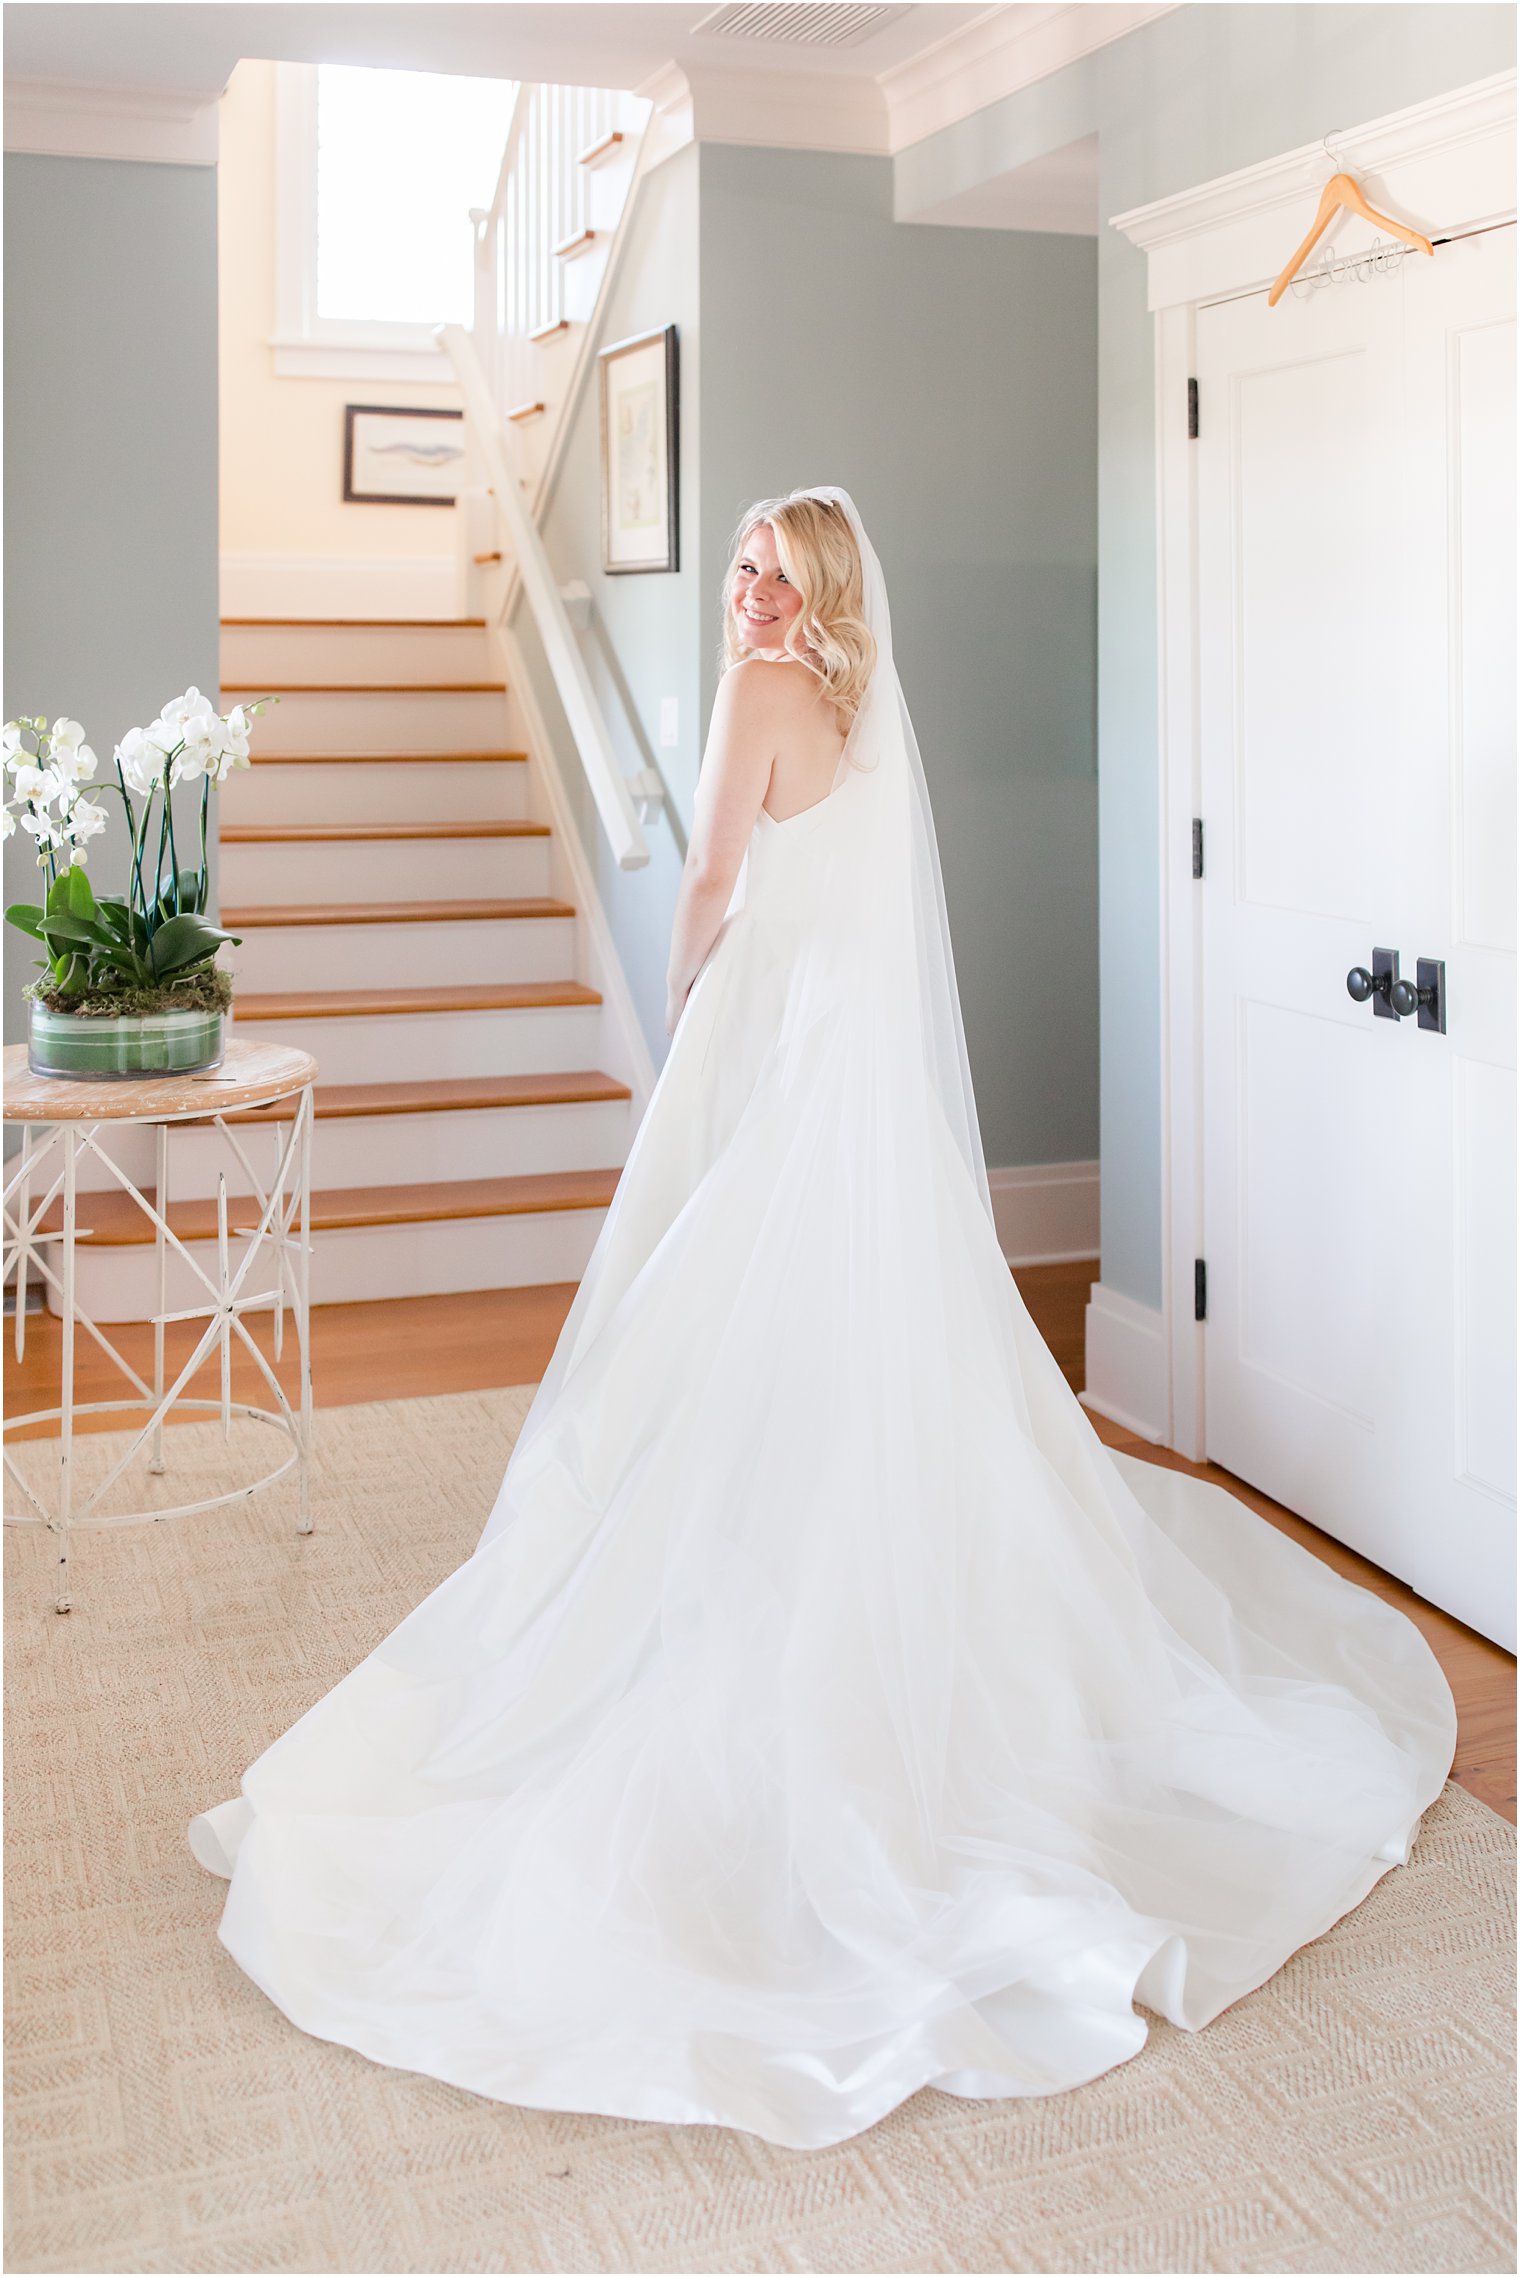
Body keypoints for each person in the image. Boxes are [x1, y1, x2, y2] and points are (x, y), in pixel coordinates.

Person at [191, 485, 1456, 2153]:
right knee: (871, 1352)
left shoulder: (755, 696)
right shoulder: (864, 702)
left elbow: (713, 874)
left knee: (709, 1342)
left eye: (777, 581)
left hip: (785, 1058)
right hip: (861, 1082)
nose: (746, 600)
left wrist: (679, 1001)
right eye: (739, 572)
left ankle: (745, 1596)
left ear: (821, 594)